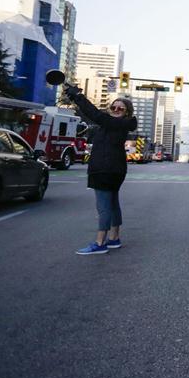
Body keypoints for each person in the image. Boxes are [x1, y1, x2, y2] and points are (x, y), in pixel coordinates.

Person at [63, 86, 137, 255]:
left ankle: (100, 243)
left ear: (126, 112)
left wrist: (78, 97)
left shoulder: (115, 123)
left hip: (105, 169)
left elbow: (95, 114)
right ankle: (114, 238)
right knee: (112, 204)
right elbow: (97, 117)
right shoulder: (114, 124)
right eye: (114, 107)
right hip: (114, 169)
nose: (116, 110)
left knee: (103, 207)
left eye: (121, 108)